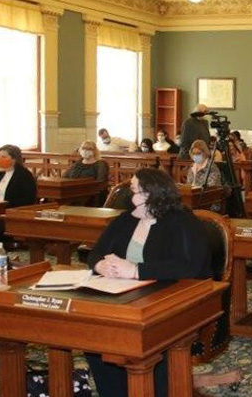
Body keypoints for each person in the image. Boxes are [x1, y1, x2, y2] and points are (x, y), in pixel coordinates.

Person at [86, 168, 211, 397]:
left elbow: (189, 266)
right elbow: (95, 252)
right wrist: (99, 266)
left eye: (134, 191)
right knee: (96, 335)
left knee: (149, 341)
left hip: (170, 299)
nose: (129, 197)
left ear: (152, 194)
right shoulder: (125, 220)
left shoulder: (183, 222)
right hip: (124, 296)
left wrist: (136, 270)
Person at [0, 145, 37, 239]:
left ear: (14, 159)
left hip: (11, 211)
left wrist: (6, 204)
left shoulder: (24, 175)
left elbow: (28, 199)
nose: (0, 159)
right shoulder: (0, 173)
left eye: (4, 157)